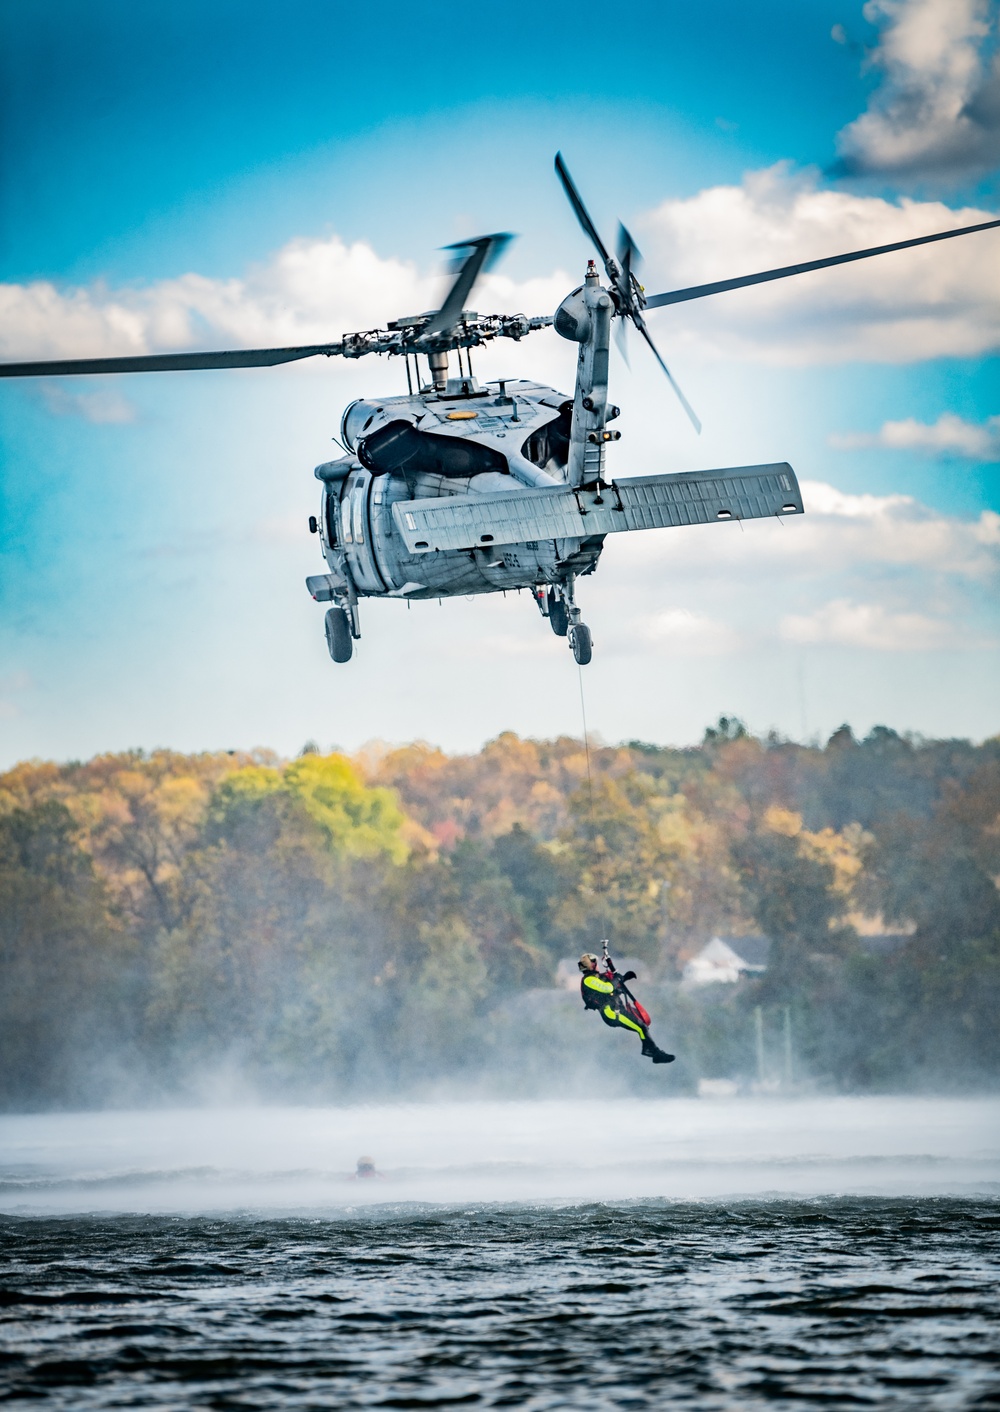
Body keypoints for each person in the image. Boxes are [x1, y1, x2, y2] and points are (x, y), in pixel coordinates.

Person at [578, 952, 674, 1063]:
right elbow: (608, 988)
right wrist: (617, 980)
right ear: (592, 965)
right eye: (597, 964)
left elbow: (613, 984)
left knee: (641, 1024)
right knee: (641, 1027)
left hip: (617, 1009)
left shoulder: (598, 978)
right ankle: (653, 1052)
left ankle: (651, 1050)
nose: (599, 966)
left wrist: (624, 978)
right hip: (611, 1013)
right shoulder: (588, 980)